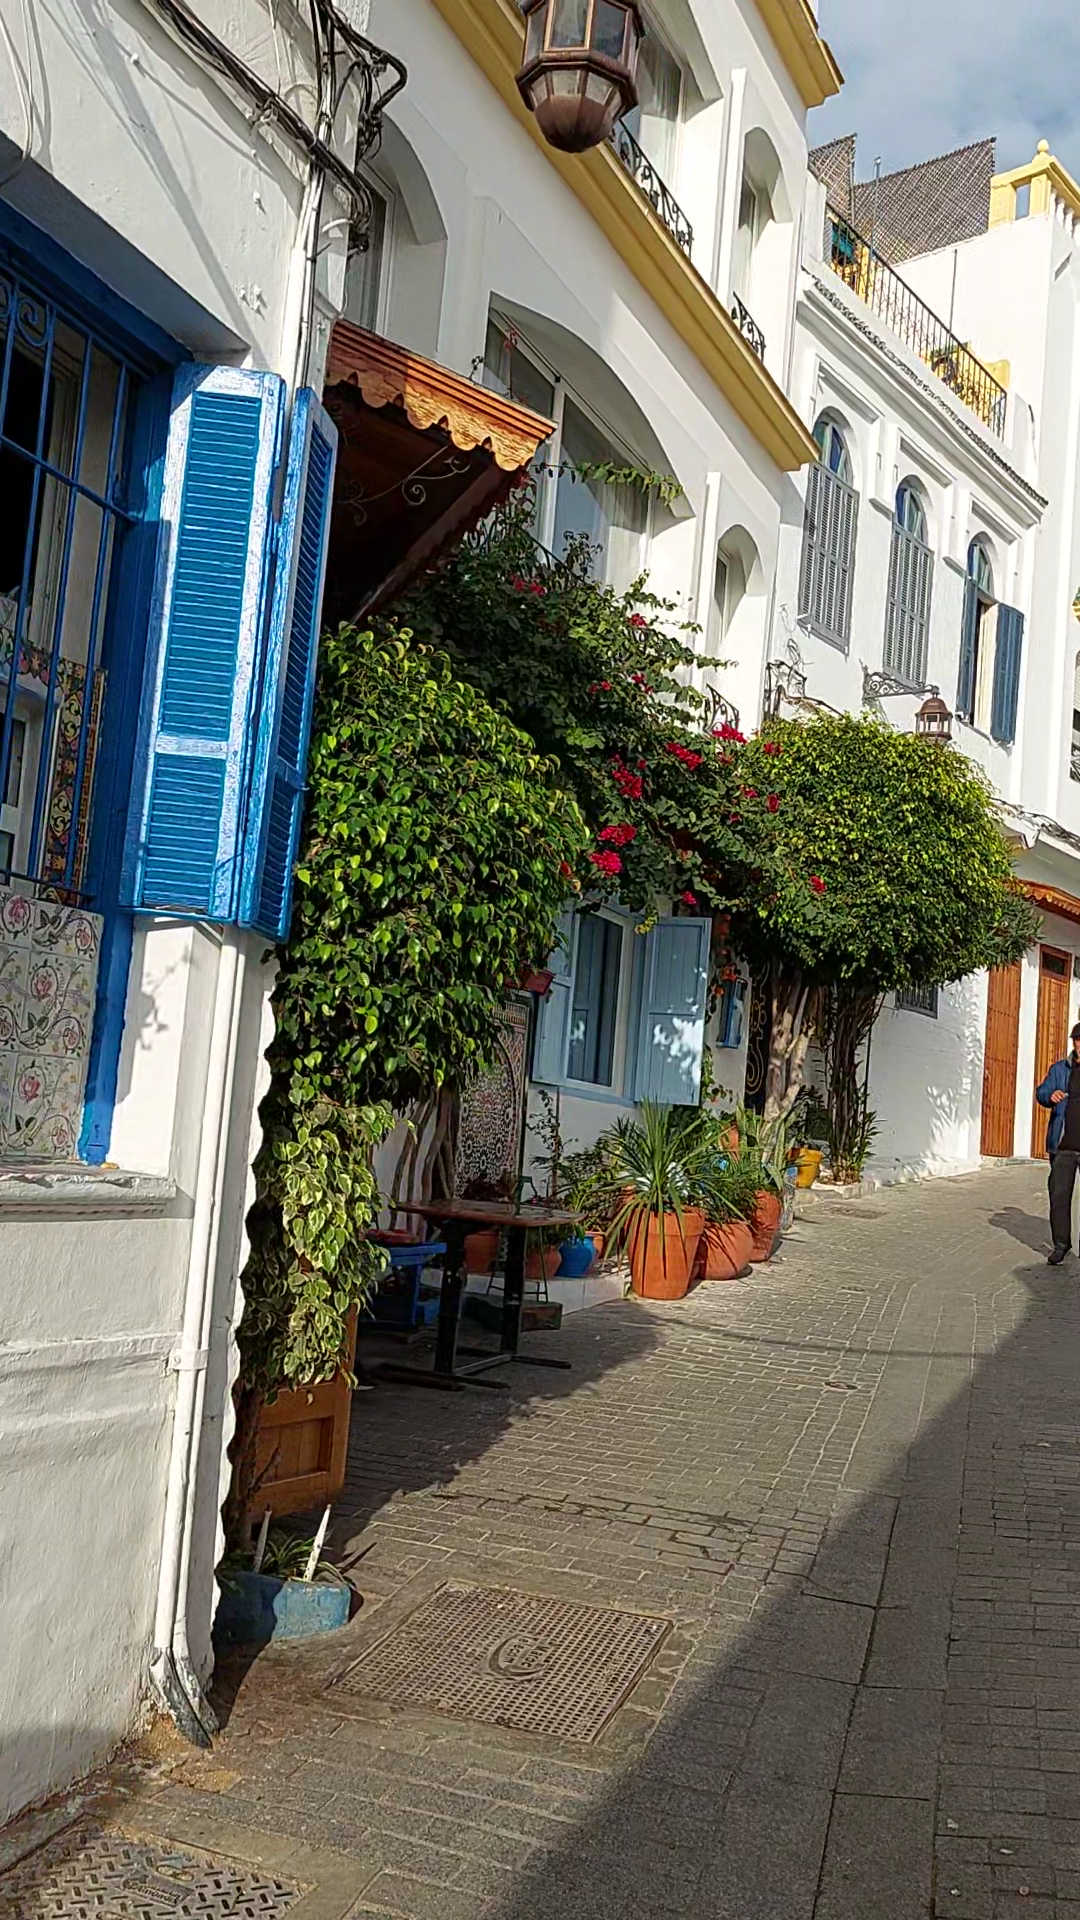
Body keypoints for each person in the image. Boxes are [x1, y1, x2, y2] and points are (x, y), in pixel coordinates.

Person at [1036, 1023, 1080, 1264]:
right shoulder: (1059, 1069)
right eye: (1078, 1040)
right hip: (1063, 1146)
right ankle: (1061, 1245)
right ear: (1073, 1042)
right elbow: (1041, 1092)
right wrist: (1049, 1096)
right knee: (1059, 1198)